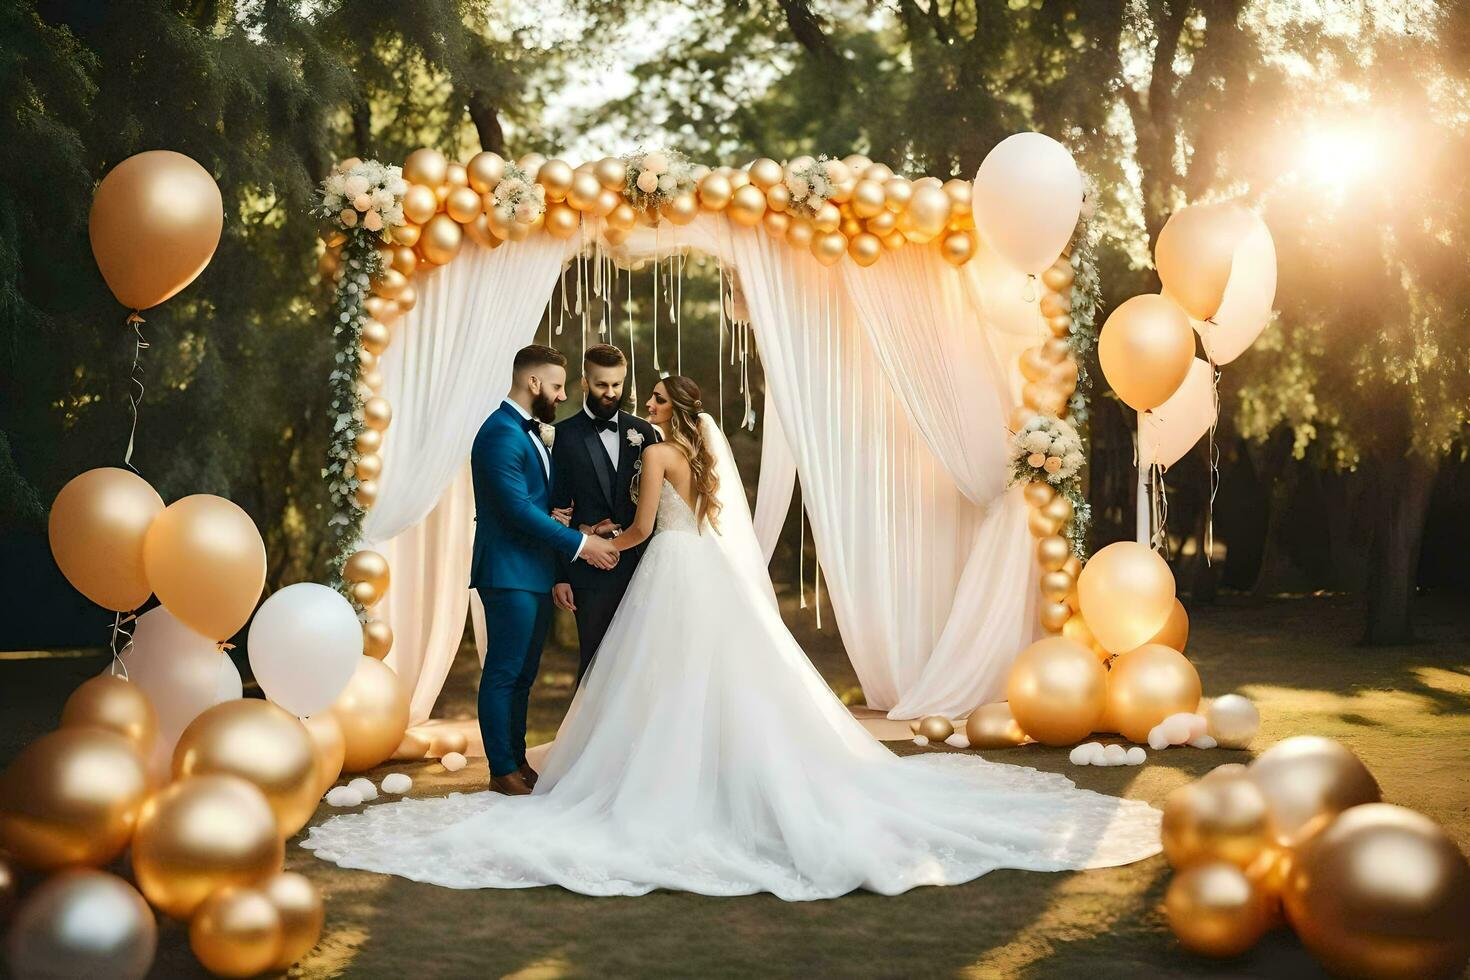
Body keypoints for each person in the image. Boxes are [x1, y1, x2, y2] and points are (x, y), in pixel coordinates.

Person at [306, 375, 1161, 900]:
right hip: (710, 576)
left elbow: (642, 530)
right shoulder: (708, 458)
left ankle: (672, 784)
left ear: (669, 410)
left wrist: (596, 543)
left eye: (650, 402)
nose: (639, 410)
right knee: (724, 684)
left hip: (668, 574)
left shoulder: (652, 455)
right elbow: (705, 523)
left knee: (665, 685)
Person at [466, 344, 620, 797]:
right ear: (533, 383)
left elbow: (542, 505)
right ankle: (501, 768)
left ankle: (516, 760)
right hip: (508, 571)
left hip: (532, 569)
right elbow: (516, 509)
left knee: (524, 673)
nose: (559, 396)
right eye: (554, 387)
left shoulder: (528, 431)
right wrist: (580, 545)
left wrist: (580, 527)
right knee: (504, 671)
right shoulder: (500, 433)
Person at [548, 344, 661, 685]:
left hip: (644, 568)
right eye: (601, 384)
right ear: (584, 382)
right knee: (595, 665)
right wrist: (560, 574)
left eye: (616, 384)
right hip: (589, 573)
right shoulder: (563, 436)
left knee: (643, 666)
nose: (610, 393)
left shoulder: (644, 433)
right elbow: (555, 509)